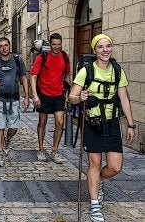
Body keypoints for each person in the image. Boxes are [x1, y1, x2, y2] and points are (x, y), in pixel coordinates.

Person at [69, 34, 135, 222]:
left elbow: (124, 99)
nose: (105, 50)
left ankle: (98, 182)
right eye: (100, 47)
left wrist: (130, 124)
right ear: (95, 50)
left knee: (115, 166)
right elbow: (71, 97)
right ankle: (95, 204)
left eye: (108, 46)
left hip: (112, 122)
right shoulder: (86, 71)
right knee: (95, 164)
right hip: (93, 123)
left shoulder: (117, 70)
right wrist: (80, 97)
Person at [0, 37, 29, 167]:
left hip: (14, 99)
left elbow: (23, 77)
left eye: (6, 45)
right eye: (1, 46)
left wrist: (27, 96)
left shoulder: (17, 60)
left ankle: (8, 140)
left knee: (13, 127)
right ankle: (0, 151)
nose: (4, 48)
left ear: (9, 46)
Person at [30, 33, 71, 164]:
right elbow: (33, 76)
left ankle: (54, 150)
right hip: (44, 94)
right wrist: (35, 95)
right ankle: (41, 148)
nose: (56, 47)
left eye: (59, 44)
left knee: (60, 122)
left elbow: (67, 76)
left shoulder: (65, 57)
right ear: (50, 44)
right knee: (42, 122)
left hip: (59, 94)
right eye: (54, 44)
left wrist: (71, 92)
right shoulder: (42, 57)